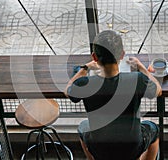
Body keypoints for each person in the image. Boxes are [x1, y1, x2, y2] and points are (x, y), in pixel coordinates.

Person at [64, 30, 162, 160]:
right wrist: (141, 67)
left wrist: (85, 68)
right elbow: (158, 91)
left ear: (94, 57)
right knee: (153, 129)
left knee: (83, 127)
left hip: (100, 147)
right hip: (132, 147)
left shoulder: (85, 84)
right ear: (122, 55)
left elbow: (67, 90)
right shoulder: (136, 80)